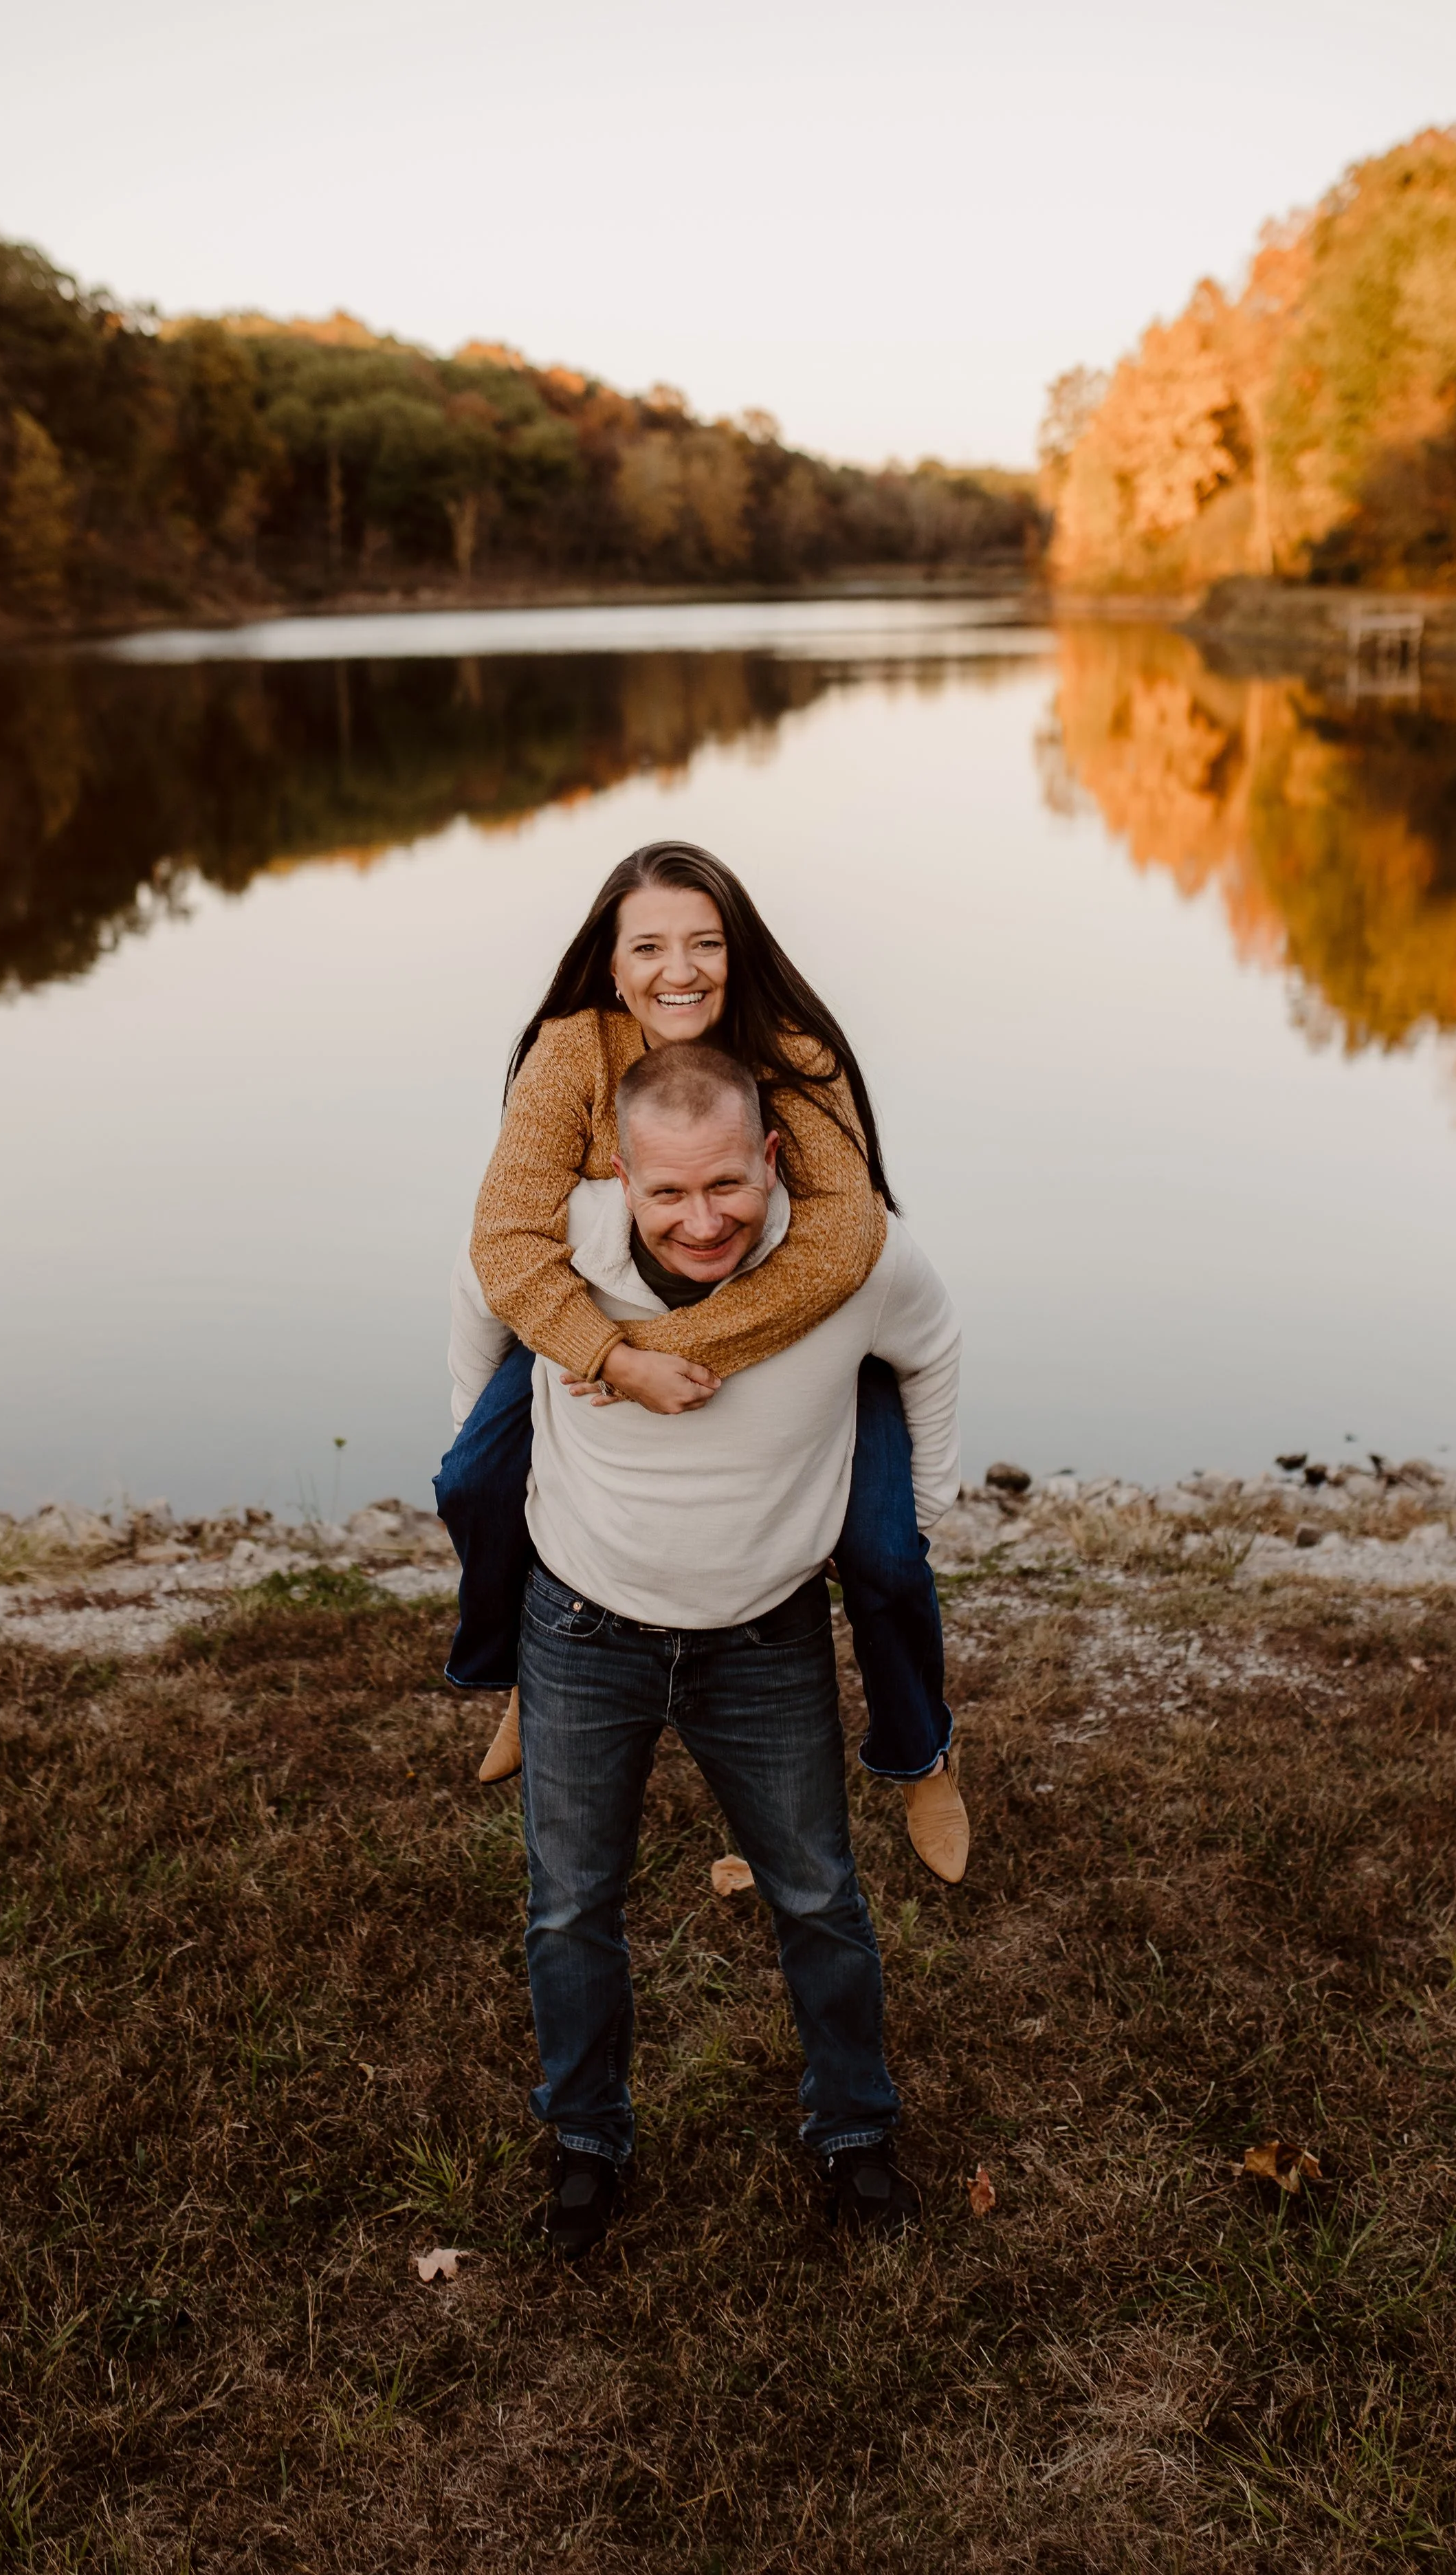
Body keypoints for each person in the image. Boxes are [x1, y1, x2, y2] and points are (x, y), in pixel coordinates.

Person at [448, 1041, 961, 2253]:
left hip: (765, 1637)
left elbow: (932, 1350)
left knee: (819, 1899)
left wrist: (914, 1518)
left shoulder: (856, 1255)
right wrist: (491, 1448)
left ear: (772, 1157)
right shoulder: (563, 1239)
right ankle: (586, 2140)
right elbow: (481, 1305)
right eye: (667, 1192)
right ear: (619, 1174)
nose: (701, 1219)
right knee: (571, 1907)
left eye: (727, 1185)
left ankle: (854, 2134)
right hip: (582, 1628)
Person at [435, 838, 969, 1882]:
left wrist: (656, 1353)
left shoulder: (792, 1053)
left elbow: (838, 1242)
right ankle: (519, 1680)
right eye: (649, 947)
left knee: (889, 1557)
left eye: (705, 943)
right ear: (612, 959)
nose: (679, 971)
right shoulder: (570, 1052)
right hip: (595, 1325)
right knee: (473, 1478)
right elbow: (502, 1242)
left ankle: (920, 1755)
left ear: (739, 951)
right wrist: (598, 1353)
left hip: (796, 1325)